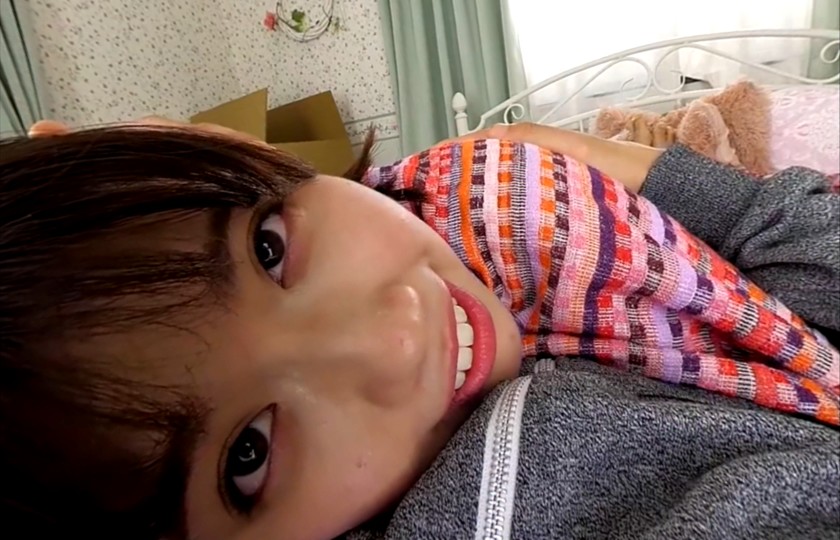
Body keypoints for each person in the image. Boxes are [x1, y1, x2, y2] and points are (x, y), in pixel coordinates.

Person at [1, 119, 838, 540]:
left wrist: (661, 177)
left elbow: (804, 316)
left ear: (203, 140)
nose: (397, 341)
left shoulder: (480, 192)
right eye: (247, 454)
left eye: (269, 250)